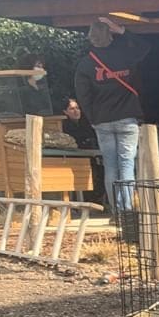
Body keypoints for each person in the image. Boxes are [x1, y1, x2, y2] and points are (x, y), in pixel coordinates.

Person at [74, 16, 150, 213]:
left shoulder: (85, 64)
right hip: (127, 118)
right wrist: (121, 30)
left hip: (102, 121)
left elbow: (83, 96)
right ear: (110, 35)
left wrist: (92, 119)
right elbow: (145, 47)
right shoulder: (125, 56)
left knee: (110, 165)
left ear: (91, 37)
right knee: (126, 163)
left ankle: (116, 211)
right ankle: (127, 209)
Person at [62, 98, 106, 203]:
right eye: (72, 109)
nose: (76, 111)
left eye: (77, 108)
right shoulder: (64, 126)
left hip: (90, 158)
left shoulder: (86, 124)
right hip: (74, 161)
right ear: (65, 112)